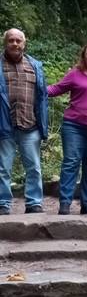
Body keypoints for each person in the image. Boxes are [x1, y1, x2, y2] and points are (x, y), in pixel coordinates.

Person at [48, 42, 87, 215]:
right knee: (71, 162)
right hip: (74, 126)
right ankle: (65, 203)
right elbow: (56, 89)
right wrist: (36, 89)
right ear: (84, 56)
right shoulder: (75, 74)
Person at [0, 28, 48, 215]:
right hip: (4, 124)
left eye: (18, 40)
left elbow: (42, 96)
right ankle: (3, 203)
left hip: (30, 124)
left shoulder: (34, 65)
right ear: (5, 42)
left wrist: (42, 123)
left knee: (34, 167)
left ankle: (34, 203)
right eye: (11, 40)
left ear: (24, 43)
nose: (15, 44)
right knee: (3, 168)